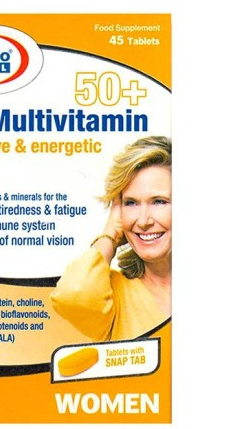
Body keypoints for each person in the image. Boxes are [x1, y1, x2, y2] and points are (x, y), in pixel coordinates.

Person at [51, 136, 171, 342]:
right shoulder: (115, 295)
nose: (143, 221)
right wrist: (111, 233)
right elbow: (72, 293)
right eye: (131, 203)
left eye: (159, 202)